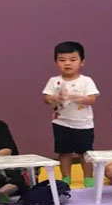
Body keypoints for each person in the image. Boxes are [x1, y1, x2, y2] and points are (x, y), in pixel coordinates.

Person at [42, 41, 99, 187]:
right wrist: (56, 98)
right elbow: (46, 99)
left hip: (83, 124)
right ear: (56, 62)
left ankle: (88, 177)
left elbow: (92, 99)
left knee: (85, 153)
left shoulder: (86, 81)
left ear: (82, 62)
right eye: (62, 60)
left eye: (72, 60)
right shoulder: (54, 81)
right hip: (61, 122)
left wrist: (77, 98)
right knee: (64, 152)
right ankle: (66, 177)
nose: (67, 63)